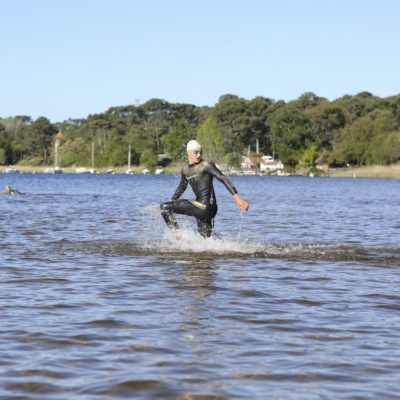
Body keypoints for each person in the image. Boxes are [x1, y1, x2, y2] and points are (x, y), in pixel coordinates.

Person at [160, 140, 249, 238]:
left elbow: (223, 179)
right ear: (188, 152)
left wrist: (237, 197)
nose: (199, 155)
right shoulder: (185, 170)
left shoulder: (206, 165)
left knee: (164, 207)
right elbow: (182, 187)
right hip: (206, 209)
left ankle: (177, 236)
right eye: (195, 152)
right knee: (204, 243)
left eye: (200, 152)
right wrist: (172, 201)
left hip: (204, 206)